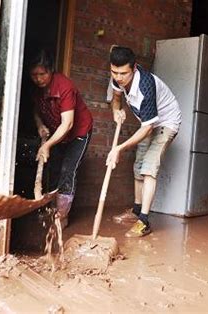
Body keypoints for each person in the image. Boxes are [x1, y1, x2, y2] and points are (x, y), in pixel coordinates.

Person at [106, 46, 181, 237]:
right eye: (114, 72)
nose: (119, 77)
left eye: (123, 73)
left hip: (166, 122)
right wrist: (117, 110)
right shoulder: (117, 78)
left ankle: (144, 221)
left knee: (148, 168)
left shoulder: (145, 87)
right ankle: (136, 211)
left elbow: (148, 128)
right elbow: (116, 98)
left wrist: (119, 148)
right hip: (148, 123)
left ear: (134, 68)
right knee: (138, 165)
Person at [30, 50, 93, 227]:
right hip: (57, 133)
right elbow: (36, 110)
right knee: (54, 169)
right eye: (34, 75)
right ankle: (50, 209)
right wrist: (40, 126)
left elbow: (68, 124)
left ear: (51, 71)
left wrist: (47, 145)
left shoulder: (64, 86)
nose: (38, 79)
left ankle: (62, 216)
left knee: (67, 171)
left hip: (78, 132)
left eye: (42, 74)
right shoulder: (36, 88)